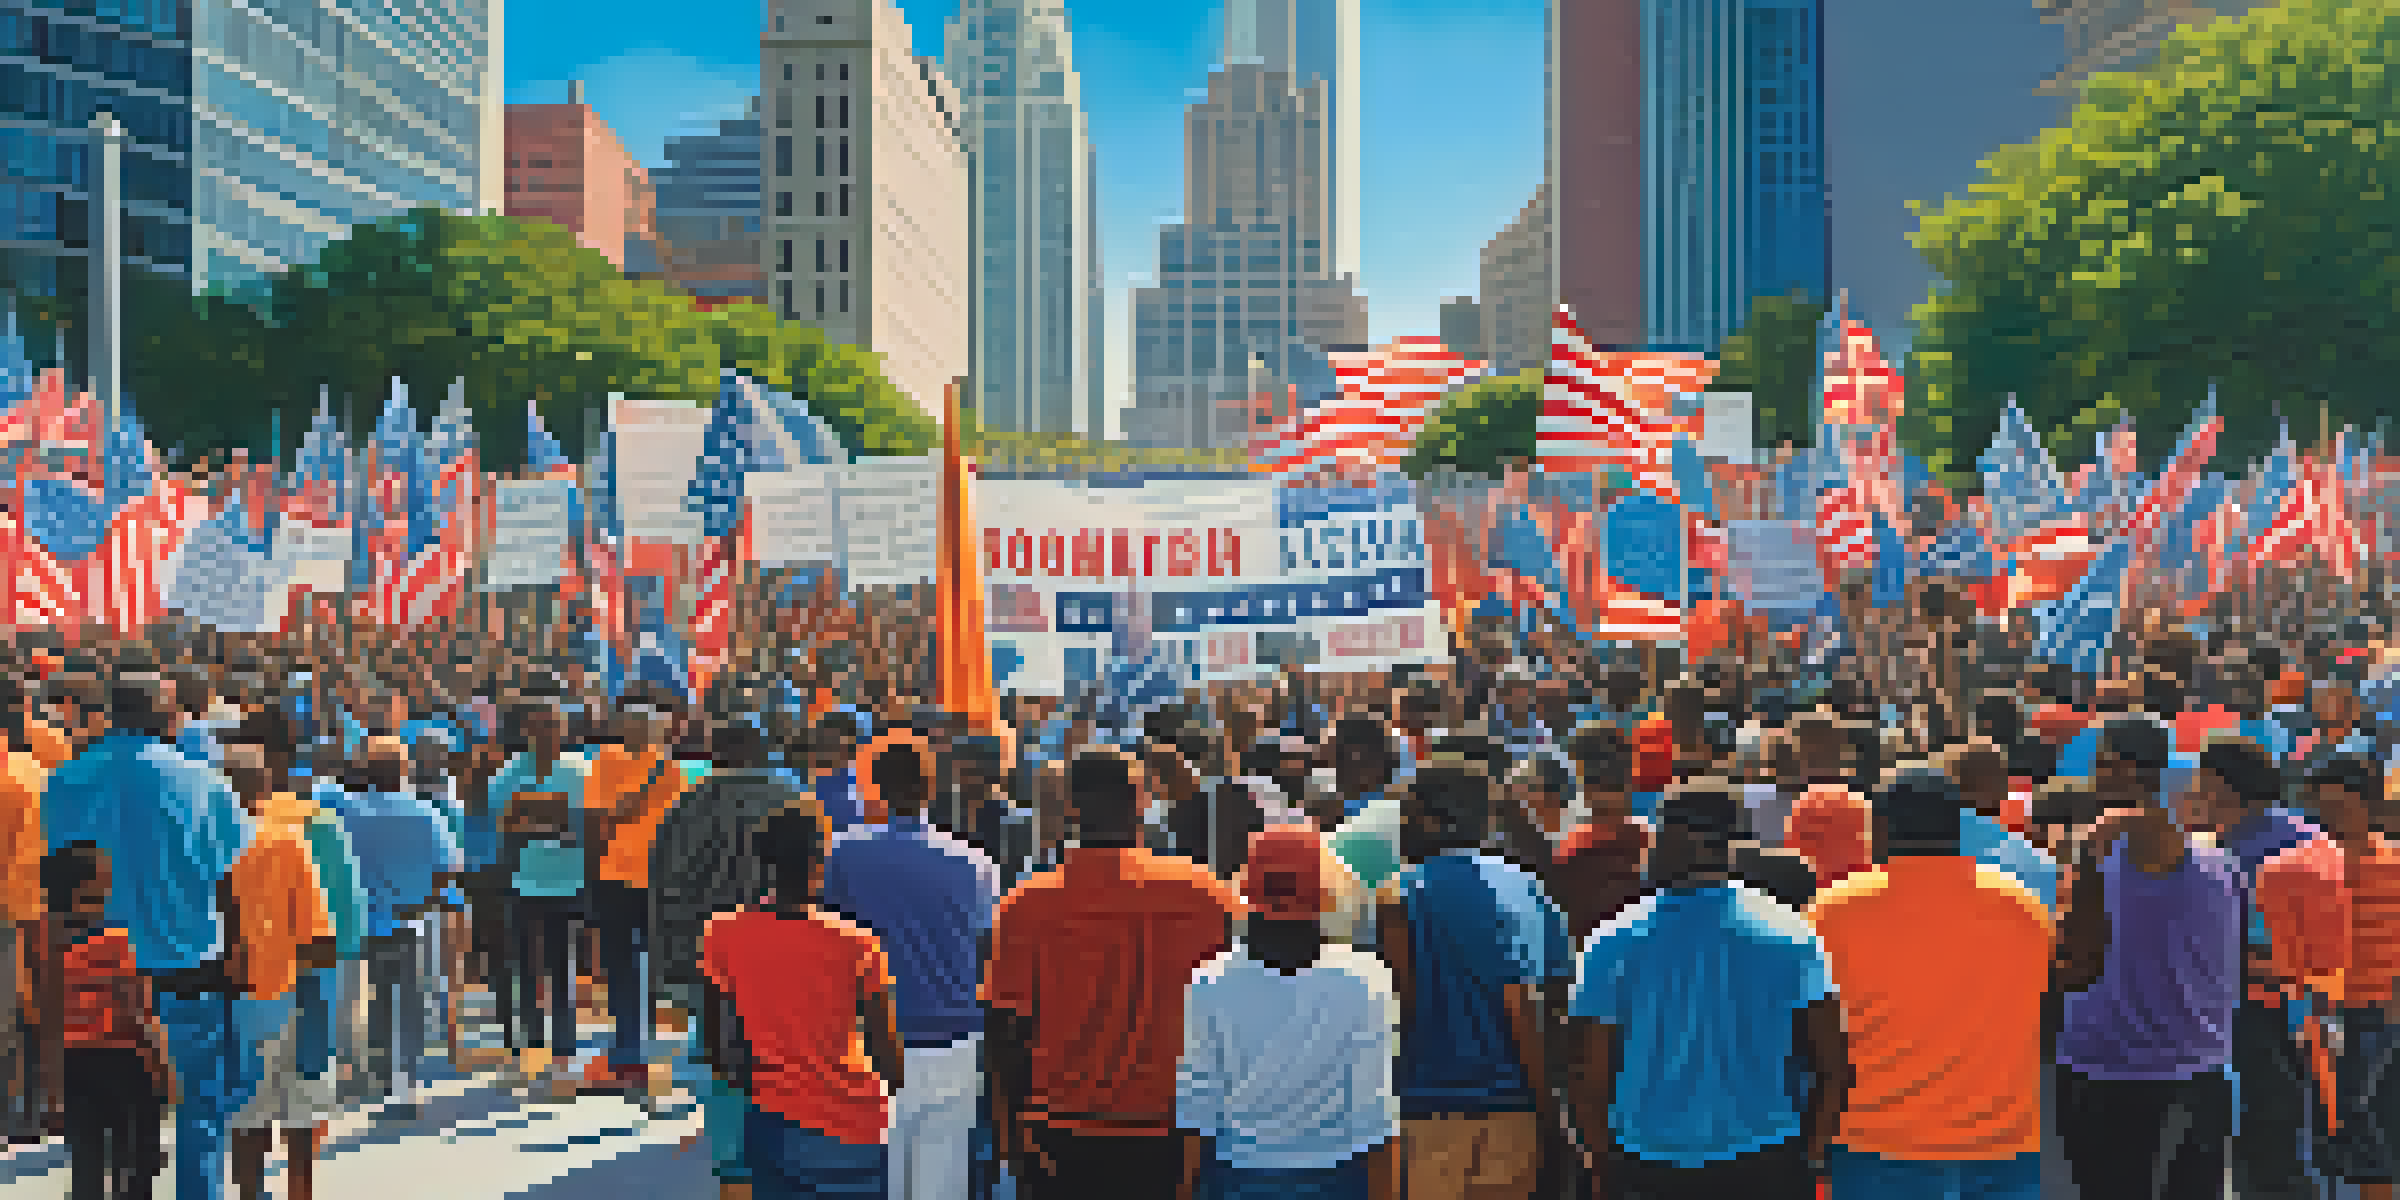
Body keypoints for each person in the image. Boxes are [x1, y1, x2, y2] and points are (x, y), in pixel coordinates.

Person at [983, 748, 1243, 1198]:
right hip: (1174, 1127)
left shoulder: (1027, 905)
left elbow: (1006, 1032)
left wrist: (1009, 1137)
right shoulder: (1208, 895)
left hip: (1059, 1128)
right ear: (1139, 803)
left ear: (1070, 806)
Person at [1565, 780, 1843, 1200]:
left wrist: (1604, 1166)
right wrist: (1811, 1156)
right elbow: (1831, 1063)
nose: (1650, 845)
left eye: (1659, 831)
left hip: (1647, 1163)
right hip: (1767, 1161)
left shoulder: (1613, 938)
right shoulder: (1792, 933)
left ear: (1682, 839)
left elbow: (1588, 1073)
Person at [45, 676, 251, 1200]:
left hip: (93, 983)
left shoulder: (65, 782)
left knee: (101, 1137)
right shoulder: (204, 782)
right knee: (200, 1119)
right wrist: (239, 952)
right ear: (164, 715)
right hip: (188, 976)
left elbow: (57, 884)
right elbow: (230, 880)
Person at [1808, 767, 2050, 1199]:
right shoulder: (2025, 910)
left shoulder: (1831, 913)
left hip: (1877, 1149)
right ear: (1957, 826)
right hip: (2003, 1150)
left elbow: (1810, 1036)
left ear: (1880, 828)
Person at [2053, 714, 2244, 1198]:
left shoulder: (2120, 846)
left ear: (2129, 770)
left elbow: (2075, 961)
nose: (2094, 777)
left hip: (2116, 1075)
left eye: (2102, 764)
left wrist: (2095, 843)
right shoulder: (2219, 860)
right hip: (2199, 1074)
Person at [1377, 758, 1572, 1200]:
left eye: (1406, 815)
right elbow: (1550, 1010)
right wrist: (1552, 1116)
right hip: (1516, 1116)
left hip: (1426, 1116)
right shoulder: (1528, 888)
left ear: (1430, 819)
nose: (1401, 829)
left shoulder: (1397, 895)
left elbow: (1399, 1012)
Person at [821, 735, 1001, 1200]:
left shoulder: (842, 854)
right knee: (941, 1175)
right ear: (930, 787)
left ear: (875, 785)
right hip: (953, 1035)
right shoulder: (974, 861)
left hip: (869, 1036)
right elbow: (988, 952)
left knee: (877, 1173)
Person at [1177, 826, 1400, 1200]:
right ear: (1323, 898)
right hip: (1337, 1179)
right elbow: (1375, 1112)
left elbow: (1197, 1104)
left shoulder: (1209, 979)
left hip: (1237, 1177)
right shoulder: (1367, 978)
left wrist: (1186, 1189)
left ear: (1249, 896)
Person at [703, 803, 906, 1195]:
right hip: (856, 1128)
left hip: (773, 1121)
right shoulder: (858, 944)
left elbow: (717, 1044)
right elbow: (889, 1060)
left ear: (764, 863)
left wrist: (756, 1083)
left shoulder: (724, 935)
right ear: (819, 863)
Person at [2257, 752, 2400, 1198]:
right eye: (2323, 806)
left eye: (2341, 805)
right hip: (2318, 1016)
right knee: (2331, 1129)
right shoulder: (2287, 869)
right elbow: (2277, 951)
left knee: (2371, 1127)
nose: (2331, 817)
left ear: (2370, 804)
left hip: (2384, 1015)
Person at [2194, 734, 2325, 1200]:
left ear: (2225, 785)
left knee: (2268, 1105)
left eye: (2203, 782)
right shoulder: (2298, 833)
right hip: (2268, 995)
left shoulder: (2269, 846)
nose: (2196, 792)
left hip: (2266, 995)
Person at [218, 743, 337, 1200]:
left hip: (231, 1001)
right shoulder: (286, 841)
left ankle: (249, 1192)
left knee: (246, 1115)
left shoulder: (201, 846)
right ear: (265, 789)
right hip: (291, 995)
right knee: (301, 1111)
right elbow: (320, 939)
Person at [38, 843, 176, 1200]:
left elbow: (49, 1020)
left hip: (74, 1064)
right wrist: (162, 1065)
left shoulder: (47, 942)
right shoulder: (116, 941)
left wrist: (52, 1091)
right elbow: (137, 1009)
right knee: (136, 1165)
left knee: (87, 1165)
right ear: (85, 889)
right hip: (125, 1064)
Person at [337, 735, 461, 1119]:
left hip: (360, 924)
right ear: (404, 770)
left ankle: (379, 1076)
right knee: (408, 1002)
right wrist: (424, 904)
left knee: (373, 1002)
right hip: (409, 922)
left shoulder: (346, 814)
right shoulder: (427, 813)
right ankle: (404, 1084)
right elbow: (448, 871)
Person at [582, 685, 690, 1096]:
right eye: (633, 724)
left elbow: (676, 827)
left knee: (646, 969)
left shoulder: (673, 770)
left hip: (654, 880)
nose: (639, 731)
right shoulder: (608, 762)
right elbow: (599, 819)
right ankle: (630, 1050)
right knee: (624, 968)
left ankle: (637, 1050)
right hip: (619, 878)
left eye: (646, 725)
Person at [486, 691, 592, 1094]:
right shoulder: (507, 775)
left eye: (553, 723)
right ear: (527, 728)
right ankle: (532, 1053)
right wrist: (536, 821)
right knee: (527, 970)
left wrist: (553, 823)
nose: (546, 730)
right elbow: (503, 824)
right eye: (539, 723)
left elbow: (588, 824)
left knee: (563, 969)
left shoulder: (582, 771)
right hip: (525, 883)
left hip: (571, 882)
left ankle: (563, 1055)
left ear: (563, 727)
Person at [0, 679, 46, 1141]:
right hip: (24, 913)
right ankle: (23, 1113)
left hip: (15, 912)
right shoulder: (32, 774)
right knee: (25, 1016)